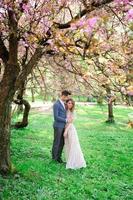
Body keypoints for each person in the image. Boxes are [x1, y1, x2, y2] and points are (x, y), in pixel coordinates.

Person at [64, 99, 86, 169]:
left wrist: (66, 131)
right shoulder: (65, 111)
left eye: (71, 103)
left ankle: (76, 162)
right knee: (68, 145)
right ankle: (69, 160)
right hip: (66, 128)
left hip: (70, 130)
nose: (70, 104)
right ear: (66, 103)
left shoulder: (73, 112)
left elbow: (70, 122)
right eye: (69, 103)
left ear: (73, 105)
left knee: (74, 145)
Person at [52, 90, 72, 163]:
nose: (67, 98)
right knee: (57, 142)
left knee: (62, 142)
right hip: (58, 126)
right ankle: (54, 158)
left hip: (63, 126)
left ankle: (59, 157)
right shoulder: (56, 104)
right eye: (67, 97)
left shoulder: (64, 104)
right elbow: (56, 117)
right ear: (63, 96)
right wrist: (66, 120)